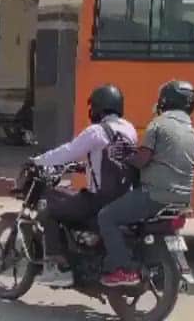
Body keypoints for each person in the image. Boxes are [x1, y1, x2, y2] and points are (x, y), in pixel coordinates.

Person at [28, 84, 137, 286]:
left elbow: (67, 151)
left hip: (98, 200)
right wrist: (84, 168)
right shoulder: (129, 130)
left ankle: (58, 267)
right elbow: (114, 161)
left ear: (98, 107)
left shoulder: (96, 131)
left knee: (49, 205)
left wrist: (38, 161)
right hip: (122, 198)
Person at [98, 79, 194, 288]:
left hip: (155, 195)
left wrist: (126, 156)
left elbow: (142, 160)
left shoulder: (158, 124)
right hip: (182, 201)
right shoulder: (193, 132)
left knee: (106, 217)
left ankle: (124, 270)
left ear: (166, 100)